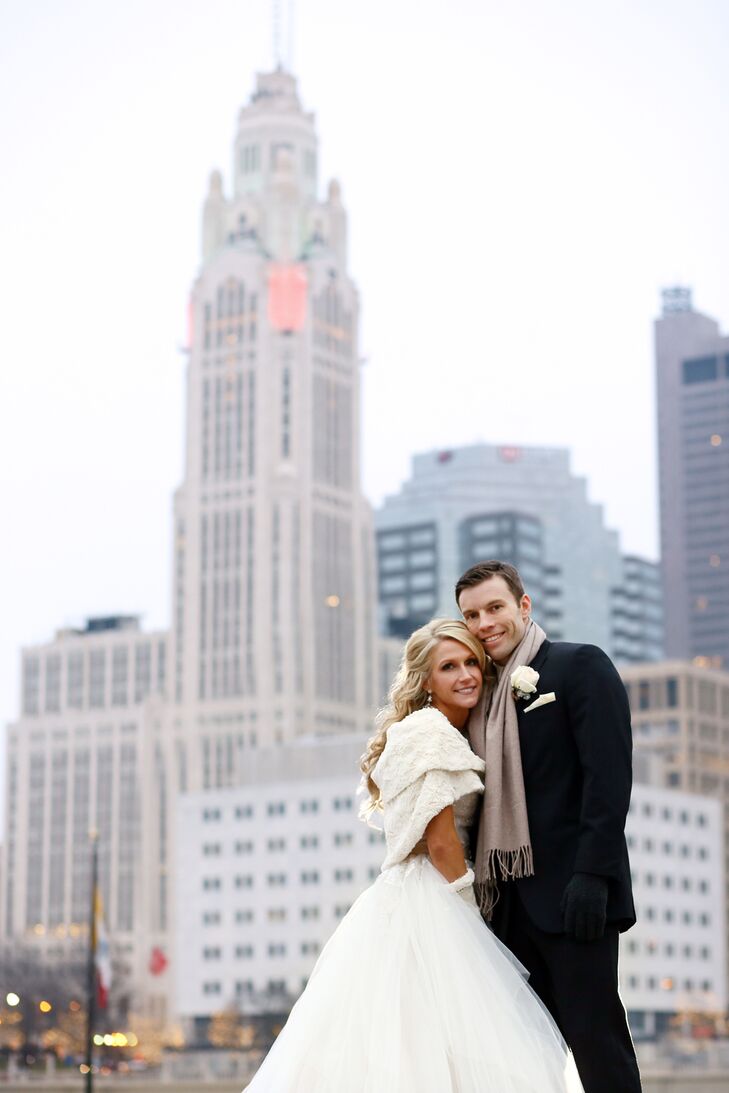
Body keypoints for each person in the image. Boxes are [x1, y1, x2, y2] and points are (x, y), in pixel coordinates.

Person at [244, 619, 583, 1092]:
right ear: (426, 680)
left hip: (409, 894)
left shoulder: (442, 729)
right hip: (436, 894)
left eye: (471, 662)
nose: (465, 674)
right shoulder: (430, 731)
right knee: (446, 1043)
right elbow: (441, 840)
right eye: (449, 667)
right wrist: (472, 914)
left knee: (424, 1042)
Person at [456, 560, 641, 1093]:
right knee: (521, 1058)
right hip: (504, 912)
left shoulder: (579, 666)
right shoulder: (478, 697)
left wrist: (593, 878)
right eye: (472, 614)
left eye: (495, 607)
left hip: (574, 898)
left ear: (523, 606)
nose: (485, 622)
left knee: (597, 1043)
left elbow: (608, 782)